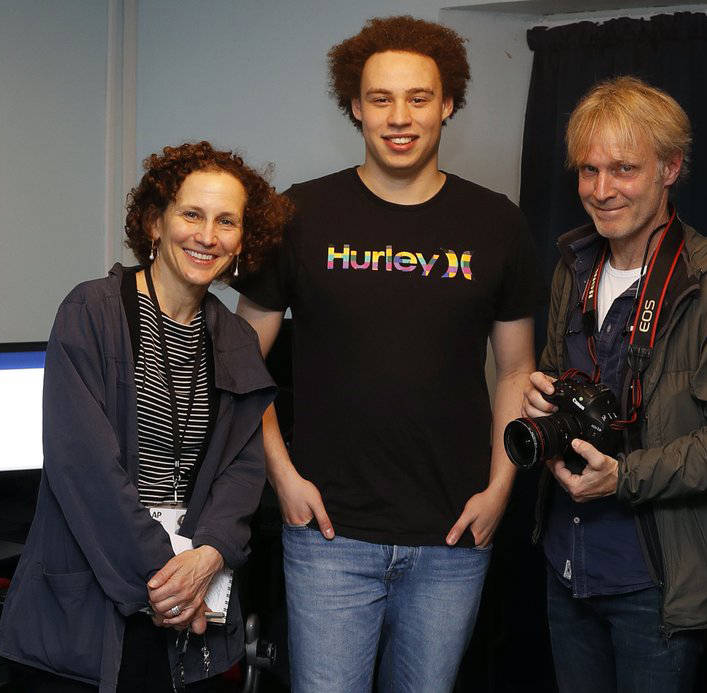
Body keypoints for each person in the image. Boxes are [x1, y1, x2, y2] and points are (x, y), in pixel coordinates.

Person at [234, 16, 542, 693]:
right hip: (328, 534)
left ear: (449, 103)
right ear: (355, 105)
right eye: (380, 99)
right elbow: (239, 361)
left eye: (419, 97)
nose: (400, 117)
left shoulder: (496, 222)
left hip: (454, 533)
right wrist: (280, 474)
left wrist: (500, 488)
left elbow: (517, 369)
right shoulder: (298, 215)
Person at [521, 76, 707, 693]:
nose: (602, 190)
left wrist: (626, 476)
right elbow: (561, 381)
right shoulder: (573, 265)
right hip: (567, 563)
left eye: (623, 169)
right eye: (588, 171)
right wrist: (543, 402)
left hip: (658, 583)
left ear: (671, 167)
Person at [0, 141, 291, 692]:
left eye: (226, 221)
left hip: (190, 602)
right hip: (98, 600)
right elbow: (83, 469)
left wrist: (209, 557)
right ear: (155, 222)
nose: (207, 235)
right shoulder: (91, 312)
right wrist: (167, 583)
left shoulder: (236, 340)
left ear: (241, 240)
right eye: (192, 214)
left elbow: (242, 472)